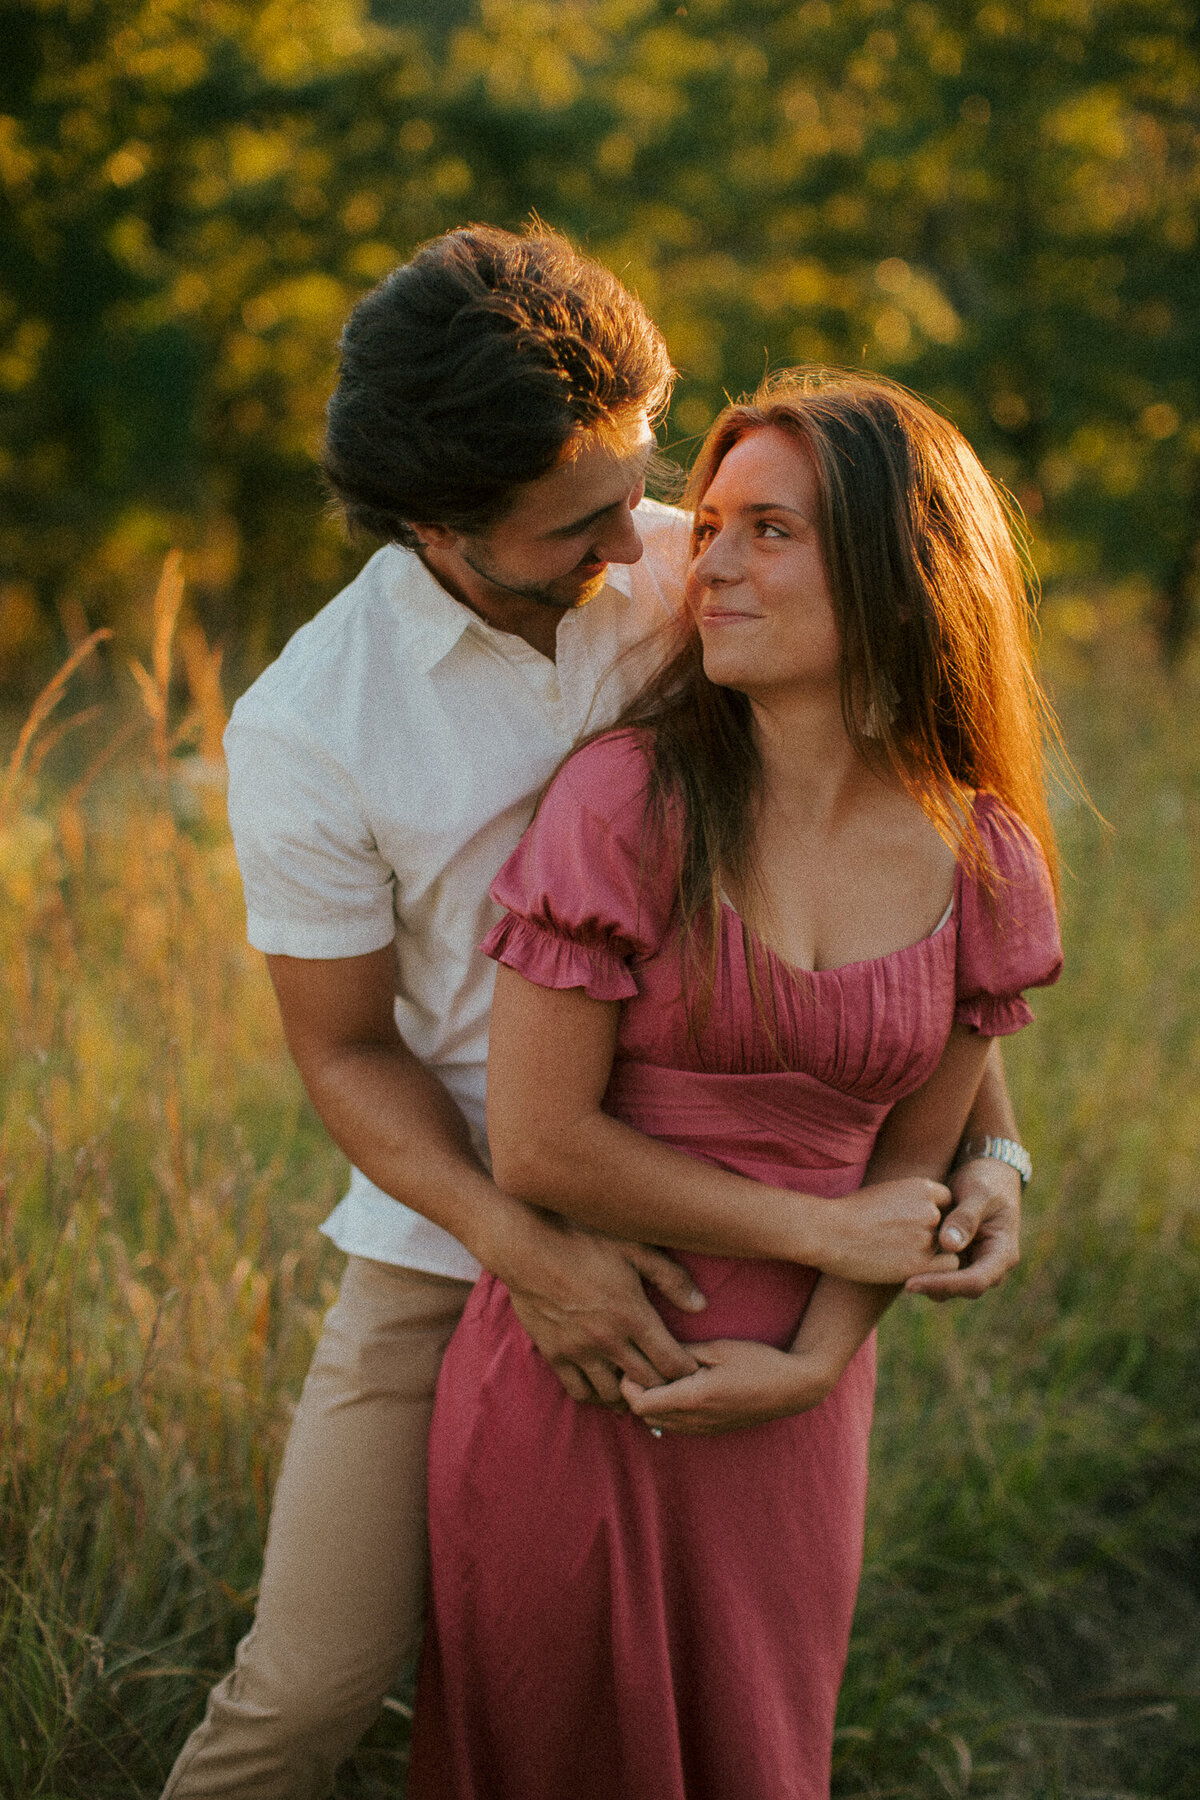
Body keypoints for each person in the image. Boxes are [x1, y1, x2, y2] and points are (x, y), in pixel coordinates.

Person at [162, 229, 1028, 1800]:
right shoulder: (313, 721)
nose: (643, 548)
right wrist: (526, 1243)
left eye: (643, 489)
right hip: (449, 1245)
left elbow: (894, 889)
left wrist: (995, 1155)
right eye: (583, 523)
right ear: (444, 525)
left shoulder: (703, 573)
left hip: (731, 1227)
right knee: (308, 1691)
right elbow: (346, 1054)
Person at [408, 369, 1063, 1800]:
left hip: (797, 1404)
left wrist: (820, 1357)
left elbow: (915, 1157)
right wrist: (826, 1234)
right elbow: (539, 1144)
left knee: (760, 1756)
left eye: (770, 531)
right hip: (591, 1363)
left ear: (900, 570)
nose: (710, 565)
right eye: (708, 526)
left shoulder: (982, 857)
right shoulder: (626, 800)